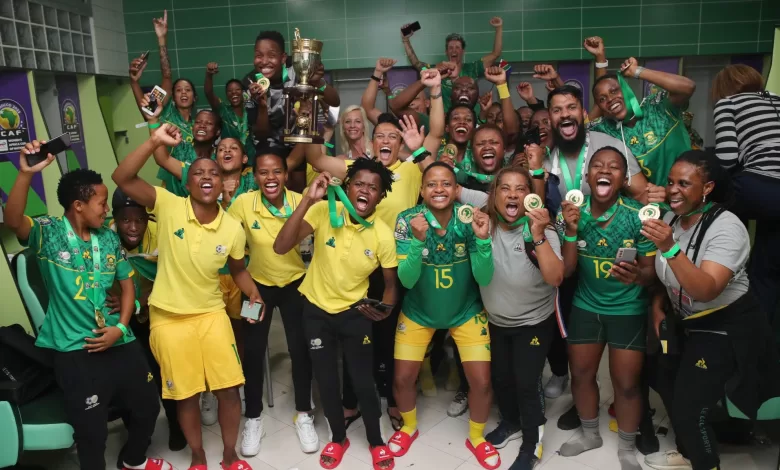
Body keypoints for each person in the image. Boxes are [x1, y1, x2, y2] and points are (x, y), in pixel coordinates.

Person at [4, 142, 171, 470]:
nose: (107, 210)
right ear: (78, 205)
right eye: (101, 203)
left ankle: (134, 460)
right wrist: (26, 173)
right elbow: (13, 221)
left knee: (148, 406)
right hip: (75, 349)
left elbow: (126, 284)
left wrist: (121, 327)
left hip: (118, 338)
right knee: (91, 433)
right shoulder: (49, 235)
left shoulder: (108, 238)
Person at [301, 68, 445, 431]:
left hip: (398, 270)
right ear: (370, 139)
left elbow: (437, 135)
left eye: (392, 136)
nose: (385, 140)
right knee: (357, 342)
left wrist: (437, 91)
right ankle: (352, 402)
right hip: (359, 272)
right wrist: (315, 106)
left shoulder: (412, 168)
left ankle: (395, 400)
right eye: (378, 134)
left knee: (391, 339)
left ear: (400, 144)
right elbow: (317, 159)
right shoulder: (357, 170)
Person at [112, 124, 263, 470]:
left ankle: (229, 455)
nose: (207, 176)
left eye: (213, 172)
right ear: (187, 182)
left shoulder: (231, 228)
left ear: (223, 182)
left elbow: (237, 268)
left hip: (211, 315)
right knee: (186, 393)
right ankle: (198, 456)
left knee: (229, 389)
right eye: (198, 172)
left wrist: (254, 292)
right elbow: (121, 176)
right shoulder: (167, 205)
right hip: (168, 317)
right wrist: (154, 142)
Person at [641, 150, 780, 470]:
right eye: (671, 182)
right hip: (686, 320)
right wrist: (657, 299)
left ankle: (706, 462)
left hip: (725, 323)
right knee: (666, 381)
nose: (672, 189)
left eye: (684, 183)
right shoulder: (670, 219)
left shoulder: (727, 228)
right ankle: (689, 451)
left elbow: (704, 289)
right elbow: (667, 277)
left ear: (707, 188)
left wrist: (669, 247)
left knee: (690, 408)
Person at [273, 160, 398, 470]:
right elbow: (281, 245)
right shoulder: (324, 212)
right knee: (327, 380)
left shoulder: (382, 235)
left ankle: (376, 441)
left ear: (380, 197)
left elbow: (391, 284)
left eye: (373, 187)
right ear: (347, 186)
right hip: (315, 310)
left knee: (363, 382)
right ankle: (338, 438)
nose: (365, 190)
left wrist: (385, 311)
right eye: (359, 183)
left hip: (355, 314)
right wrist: (307, 200)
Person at [390, 163, 499, 469]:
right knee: (403, 378)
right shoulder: (407, 220)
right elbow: (407, 280)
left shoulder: (469, 219)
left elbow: (485, 277)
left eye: (446, 184)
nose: (439, 189)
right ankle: (409, 427)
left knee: (481, 382)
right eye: (432, 184)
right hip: (418, 312)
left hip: (466, 311)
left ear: (455, 190)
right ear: (421, 190)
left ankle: (476, 437)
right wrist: (416, 241)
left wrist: (481, 239)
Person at [557, 147, 657, 470]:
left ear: (624, 179)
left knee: (626, 383)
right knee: (581, 375)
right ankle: (590, 434)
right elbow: (568, 271)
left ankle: (627, 447)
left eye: (614, 167)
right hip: (586, 306)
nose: (605, 170)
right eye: (597, 165)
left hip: (627, 309)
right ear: (587, 177)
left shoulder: (637, 216)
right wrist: (570, 232)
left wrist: (637, 274)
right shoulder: (573, 213)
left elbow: (650, 273)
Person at [459, 167, 565, 469]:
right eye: (505, 188)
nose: (513, 194)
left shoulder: (541, 229)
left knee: (526, 382)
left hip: (534, 321)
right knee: (502, 378)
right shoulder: (483, 226)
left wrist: (539, 235)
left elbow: (556, 277)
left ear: (529, 196)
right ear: (494, 195)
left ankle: (533, 442)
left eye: (520, 188)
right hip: (496, 320)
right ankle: (511, 421)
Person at [227, 148, 316, 456]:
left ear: (286, 174)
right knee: (251, 352)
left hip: (295, 284)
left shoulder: (300, 202)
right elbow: (231, 248)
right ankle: (253, 417)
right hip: (256, 287)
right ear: (255, 177)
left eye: (276, 171)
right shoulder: (242, 203)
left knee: (300, 349)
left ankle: (304, 412)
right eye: (263, 172)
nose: (270, 178)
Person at [107, 188, 186, 453]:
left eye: (139, 219)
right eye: (125, 220)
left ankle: (177, 426)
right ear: (114, 218)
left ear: (147, 217)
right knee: (131, 379)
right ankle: (137, 435)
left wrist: (138, 303)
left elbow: (170, 279)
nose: (133, 226)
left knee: (167, 373)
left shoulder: (160, 237)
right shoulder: (105, 239)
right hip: (120, 320)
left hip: (157, 312)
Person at [712, 64, 780, 325]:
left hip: (762, 187)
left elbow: (727, 159)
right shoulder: (776, 99)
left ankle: (720, 268)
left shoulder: (728, 103)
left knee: (710, 204)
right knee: (769, 265)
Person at [587, 37, 696, 187]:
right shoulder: (606, 129)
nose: (610, 99)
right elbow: (579, 127)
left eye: (615, 91)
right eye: (602, 99)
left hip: (689, 194)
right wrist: (600, 60)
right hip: (650, 205)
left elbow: (688, 87)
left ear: (625, 89)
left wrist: (637, 71)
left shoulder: (657, 107)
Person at [241, 30, 340, 191]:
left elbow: (334, 101)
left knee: (297, 195)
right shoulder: (250, 83)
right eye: (259, 55)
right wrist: (262, 105)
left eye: (271, 55)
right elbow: (261, 133)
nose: (264, 61)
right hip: (268, 150)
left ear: (283, 58)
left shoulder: (298, 73)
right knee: (273, 194)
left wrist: (318, 81)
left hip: (298, 145)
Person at [401, 18, 503, 113]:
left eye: (457, 47)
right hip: (445, 122)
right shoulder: (438, 71)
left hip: (470, 118)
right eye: (451, 48)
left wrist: (499, 28)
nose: (454, 50)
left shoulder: (473, 68)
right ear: (446, 52)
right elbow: (416, 63)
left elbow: (495, 54)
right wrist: (405, 40)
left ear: (463, 51)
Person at [204, 62, 257, 165]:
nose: (234, 93)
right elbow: (209, 93)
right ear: (226, 95)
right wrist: (209, 75)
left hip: (250, 159)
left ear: (243, 92)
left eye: (237, 90)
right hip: (229, 159)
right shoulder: (223, 110)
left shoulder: (251, 110)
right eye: (230, 91)